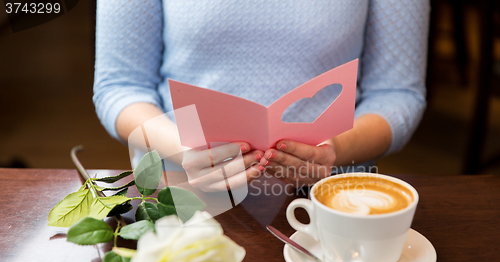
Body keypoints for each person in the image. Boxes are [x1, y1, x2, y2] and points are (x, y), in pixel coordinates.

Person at [93, 0, 429, 189]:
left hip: (330, 191)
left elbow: (398, 93)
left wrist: (336, 150)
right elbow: (120, 86)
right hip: (182, 188)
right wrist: (181, 148)